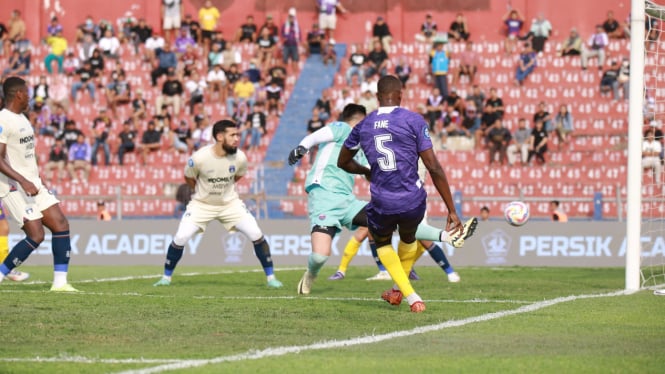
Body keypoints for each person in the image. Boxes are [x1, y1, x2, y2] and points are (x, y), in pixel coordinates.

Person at [289, 104, 474, 296]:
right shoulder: (342, 128)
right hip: (324, 196)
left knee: (394, 219)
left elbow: (371, 168)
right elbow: (316, 136)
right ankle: (311, 274)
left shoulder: (359, 145)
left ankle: (448, 236)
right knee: (319, 256)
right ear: (357, 119)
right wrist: (302, 147)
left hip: (347, 201)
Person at [337, 76, 472, 313]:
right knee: (409, 239)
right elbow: (434, 167)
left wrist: (365, 171)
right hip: (413, 199)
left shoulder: (363, 126)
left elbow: (343, 162)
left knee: (382, 243)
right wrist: (451, 209)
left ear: (377, 98)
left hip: (382, 200)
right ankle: (399, 290)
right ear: (400, 95)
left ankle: (411, 296)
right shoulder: (413, 120)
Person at [154, 119, 283, 288]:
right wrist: (202, 191)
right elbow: (188, 177)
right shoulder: (200, 157)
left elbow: (238, 176)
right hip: (202, 205)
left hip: (230, 204)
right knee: (181, 237)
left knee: (256, 234)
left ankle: (271, 278)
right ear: (220, 137)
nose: (237, 138)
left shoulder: (240, 157)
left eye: (237, 134)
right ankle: (166, 278)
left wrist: (224, 190)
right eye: (233, 135)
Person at [0, 77, 77, 291]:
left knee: (61, 224)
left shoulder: (22, 118)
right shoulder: (3, 120)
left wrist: (33, 177)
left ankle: (60, 284)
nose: (30, 96)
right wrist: (23, 180)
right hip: (13, 186)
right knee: (36, 235)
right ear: (18, 94)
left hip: (33, 183)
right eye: (27, 92)